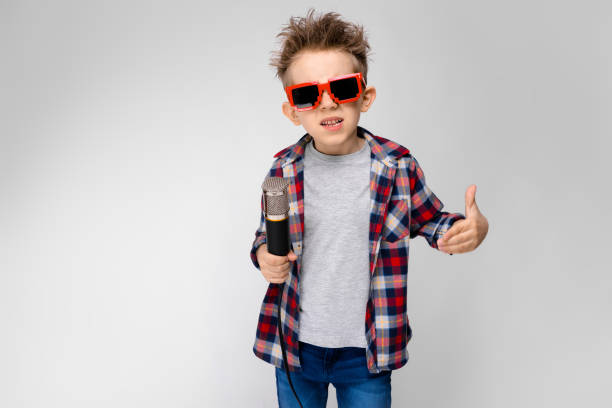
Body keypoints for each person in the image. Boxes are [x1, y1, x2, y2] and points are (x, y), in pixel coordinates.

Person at [249, 8, 489, 408]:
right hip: (295, 344)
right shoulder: (282, 171)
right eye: (308, 94)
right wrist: (264, 256)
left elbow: (433, 223)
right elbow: (264, 238)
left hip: (367, 352)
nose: (326, 103)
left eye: (341, 88)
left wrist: (468, 230)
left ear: (365, 97)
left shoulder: (396, 166)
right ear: (293, 111)